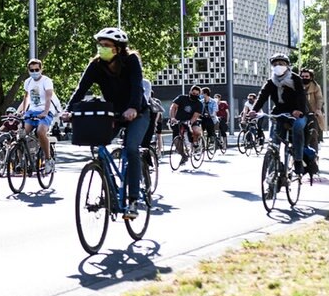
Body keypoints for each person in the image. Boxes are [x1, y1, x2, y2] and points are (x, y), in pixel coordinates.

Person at [61, 27, 148, 219]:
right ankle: (109, 193)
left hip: (138, 113)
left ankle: (133, 199)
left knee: (132, 148)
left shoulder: (131, 61)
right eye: (100, 45)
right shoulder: (96, 65)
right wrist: (69, 110)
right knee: (97, 144)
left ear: (118, 48)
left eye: (106, 45)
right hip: (113, 114)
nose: (102, 48)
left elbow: (137, 87)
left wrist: (133, 107)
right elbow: (81, 89)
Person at [249, 53, 309, 173]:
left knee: (297, 128)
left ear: (287, 65)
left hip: (297, 113)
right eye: (275, 64)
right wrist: (254, 111)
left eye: (281, 64)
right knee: (273, 140)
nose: (278, 66)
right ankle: (273, 165)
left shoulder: (295, 79)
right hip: (280, 113)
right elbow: (262, 96)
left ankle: (298, 160)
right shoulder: (271, 81)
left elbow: (302, 96)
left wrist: (299, 110)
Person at [16, 58, 56, 169]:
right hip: (32, 111)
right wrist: (23, 111)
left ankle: (48, 159)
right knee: (21, 134)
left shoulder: (46, 81)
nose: (34, 72)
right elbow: (26, 97)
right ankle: (21, 161)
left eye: (36, 69)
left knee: (40, 132)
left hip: (45, 111)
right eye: (32, 70)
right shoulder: (28, 82)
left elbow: (48, 97)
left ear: (41, 69)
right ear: (28, 70)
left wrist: (45, 112)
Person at [168, 84, 204, 165]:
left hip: (191, 120)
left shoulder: (199, 104)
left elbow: (196, 115)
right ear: (190, 92)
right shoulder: (182, 98)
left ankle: (195, 143)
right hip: (178, 120)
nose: (194, 95)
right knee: (176, 141)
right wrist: (172, 118)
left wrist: (190, 122)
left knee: (196, 131)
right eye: (193, 93)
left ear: (199, 95)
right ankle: (183, 156)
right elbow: (173, 107)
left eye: (197, 94)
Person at [300, 68, 325, 150]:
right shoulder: (298, 85)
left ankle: (318, 141)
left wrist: (318, 108)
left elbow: (319, 98)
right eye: (302, 76)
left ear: (310, 77)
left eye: (306, 76)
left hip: (313, 111)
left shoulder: (315, 86)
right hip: (300, 112)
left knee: (316, 123)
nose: (304, 78)